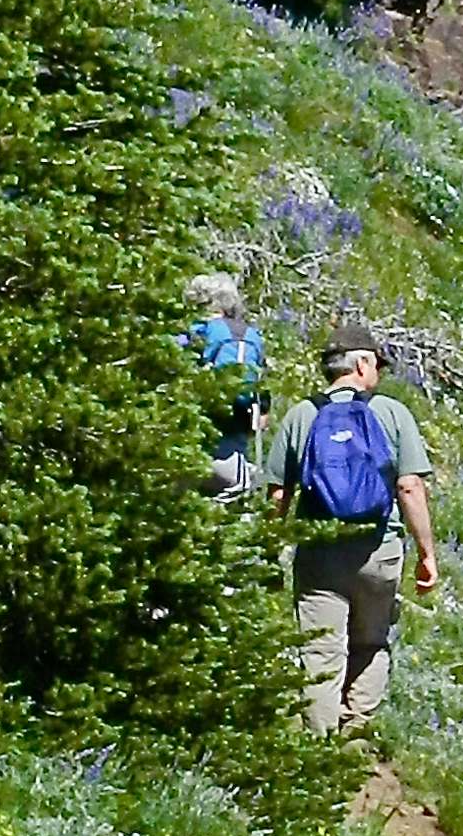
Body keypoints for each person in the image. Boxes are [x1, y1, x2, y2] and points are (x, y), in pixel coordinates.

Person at [270, 319, 441, 735]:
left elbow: (279, 494)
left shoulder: (301, 415)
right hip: (379, 551)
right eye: (378, 364)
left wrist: (270, 550)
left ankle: (317, 749)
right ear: (362, 364)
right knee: (370, 643)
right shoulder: (391, 413)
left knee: (320, 651)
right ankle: (355, 737)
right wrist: (426, 553)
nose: (379, 373)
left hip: (320, 552)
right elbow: (409, 486)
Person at [184, 273, 267, 503]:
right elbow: (260, 383)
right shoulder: (248, 335)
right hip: (231, 430)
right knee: (240, 486)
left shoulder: (189, 333)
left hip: (187, 430)